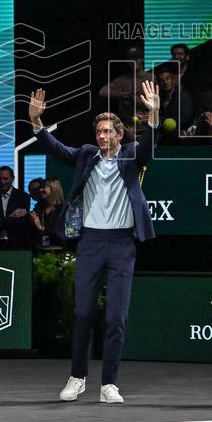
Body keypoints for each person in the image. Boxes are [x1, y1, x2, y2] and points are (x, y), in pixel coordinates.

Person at [29, 81, 160, 404]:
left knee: (117, 317)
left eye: (107, 131)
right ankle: (77, 377)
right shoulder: (87, 155)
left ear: (119, 134)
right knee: (83, 314)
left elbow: (149, 144)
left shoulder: (131, 155)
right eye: (98, 131)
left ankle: (109, 385)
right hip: (90, 242)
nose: (102, 136)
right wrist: (36, 121)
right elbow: (57, 149)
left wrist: (154, 113)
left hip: (122, 244)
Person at [0, 166, 33, 249]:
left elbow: (20, 222)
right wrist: (11, 217)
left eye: (5, 178)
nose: (2, 182)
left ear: (13, 178)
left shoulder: (24, 197)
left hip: (18, 243)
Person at [31, 177, 67, 250]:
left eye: (44, 187)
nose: (40, 190)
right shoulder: (39, 208)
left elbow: (61, 234)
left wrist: (40, 227)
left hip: (58, 250)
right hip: (40, 249)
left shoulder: (63, 210)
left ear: (53, 189)